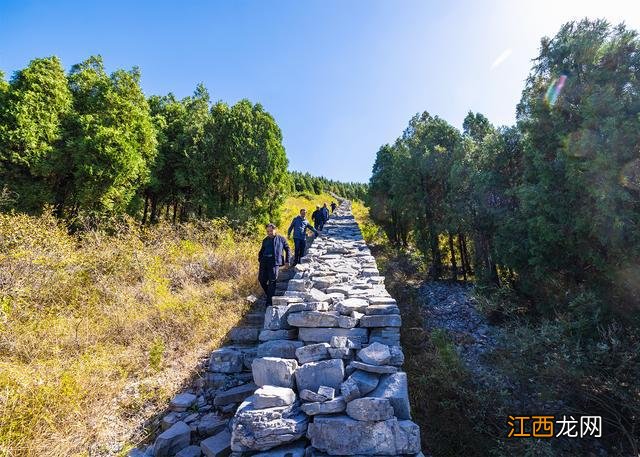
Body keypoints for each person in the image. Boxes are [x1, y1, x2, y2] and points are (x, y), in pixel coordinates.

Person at [258, 223, 290, 305]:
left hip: (274, 262)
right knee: (261, 279)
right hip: (264, 261)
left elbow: (287, 249)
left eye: (271, 231)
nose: (269, 233)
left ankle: (269, 302)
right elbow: (262, 250)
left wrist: (287, 261)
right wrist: (260, 259)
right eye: (268, 231)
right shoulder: (265, 240)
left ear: (275, 230)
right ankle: (270, 295)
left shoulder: (281, 239)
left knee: (272, 281)